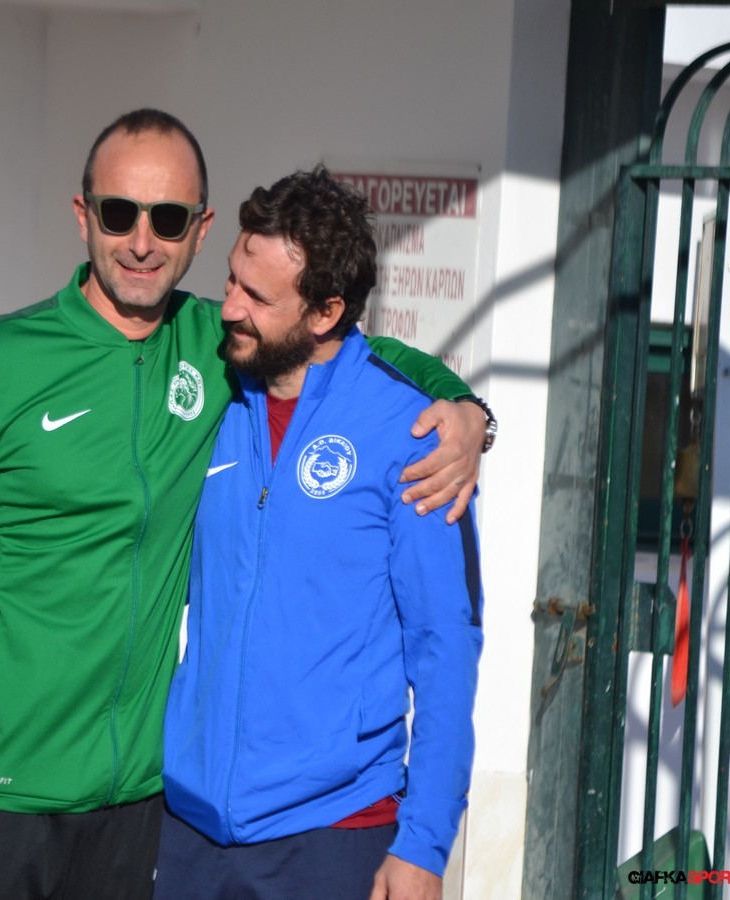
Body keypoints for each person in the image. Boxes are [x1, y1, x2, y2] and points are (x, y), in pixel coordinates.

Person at [0, 109, 491, 900]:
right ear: (83, 215)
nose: (142, 241)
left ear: (198, 229)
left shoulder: (222, 350)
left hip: (141, 814)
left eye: (168, 219)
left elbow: (356, 355)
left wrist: (467, 413)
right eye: (119, 213)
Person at [154, 167, 483, 900]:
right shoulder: (206, 400)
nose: (229, 307)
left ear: (326, 312)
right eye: (231, 280)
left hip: (334, 834)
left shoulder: (411, 434)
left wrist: (424, 844)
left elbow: (445, 646)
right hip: (189, 831)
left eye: (257, 297)